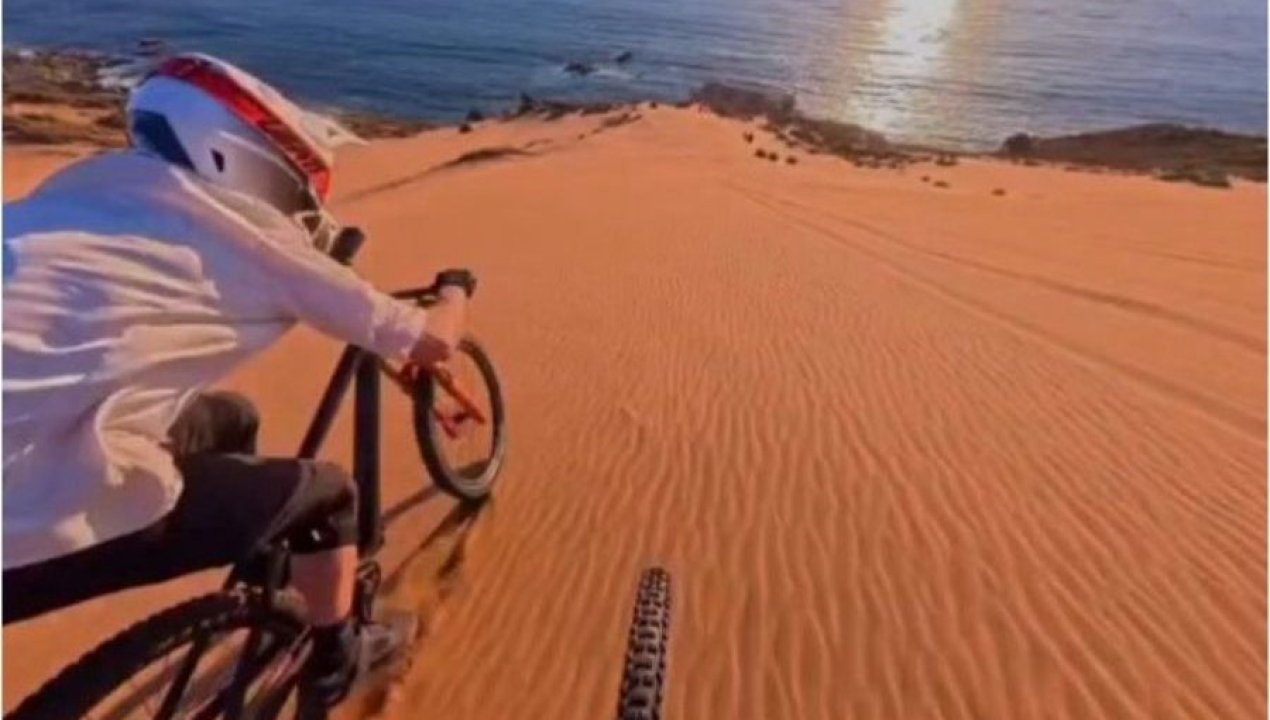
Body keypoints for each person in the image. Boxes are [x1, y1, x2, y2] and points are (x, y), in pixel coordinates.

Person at [2, 52, 474, 709]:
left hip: (37, 444)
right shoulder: (259, 240)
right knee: (331, 494)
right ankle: (338, 656)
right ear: (252, 161)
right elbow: (434, 341)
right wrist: (455, 291)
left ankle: (264, 555)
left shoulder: (58, 203)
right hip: (25, 510)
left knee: (231, 419)